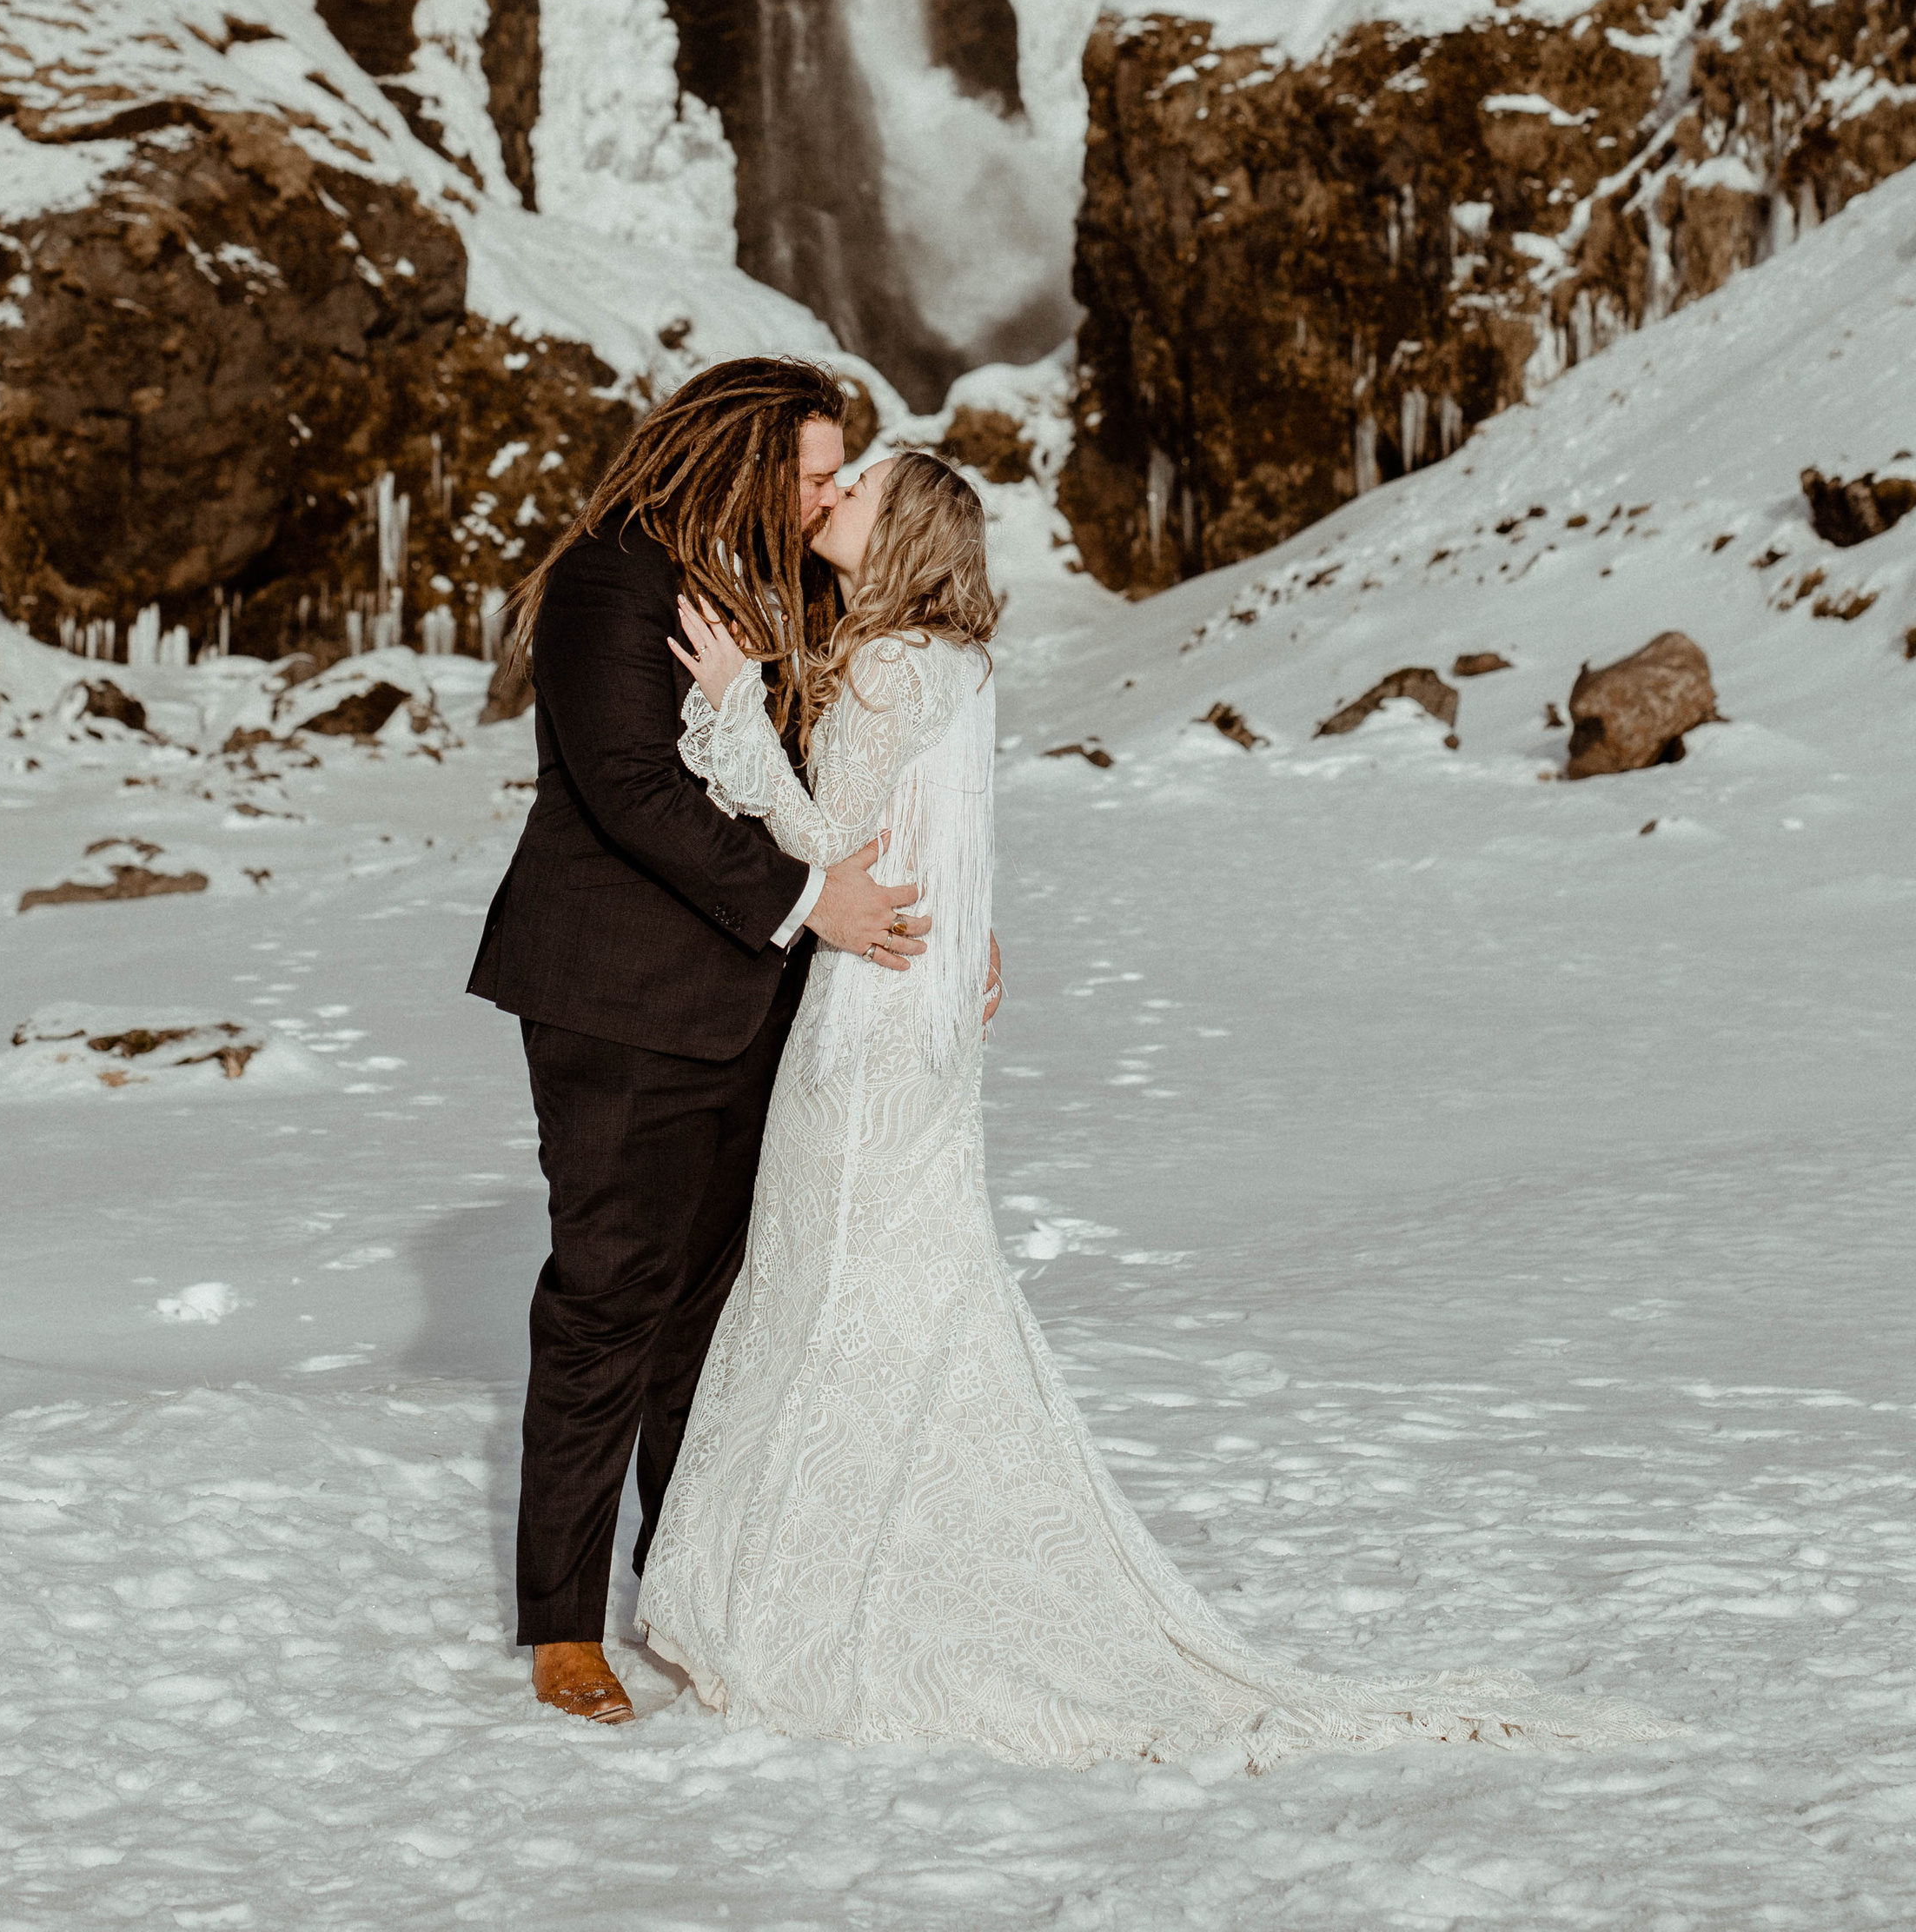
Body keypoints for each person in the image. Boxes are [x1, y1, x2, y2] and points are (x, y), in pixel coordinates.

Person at [640, 448, 1666, 1771]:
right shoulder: (957, 665)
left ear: (901, 531)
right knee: (884, 1285)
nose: (830, 498)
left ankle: (784, 1602)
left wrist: (727, 707)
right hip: (924, 1012)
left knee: (821, 1285)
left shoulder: (892, 664)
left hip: (867, 1015)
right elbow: (943, 831)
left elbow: (821, 837)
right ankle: (807, 1570)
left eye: (857, 490)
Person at [466, 356, 941, 1729]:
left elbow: (842, 773)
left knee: (708, 1320)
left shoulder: (790, 592)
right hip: (618, 1006)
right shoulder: (613, 578)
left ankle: (687, 1591)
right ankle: (563, 1624)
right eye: (805, 471)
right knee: (610, 1297)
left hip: (754, 999)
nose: (825, 495)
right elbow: (627, 787)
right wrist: (811, 902)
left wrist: (946, 922)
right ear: (737, 457)